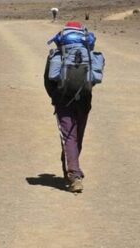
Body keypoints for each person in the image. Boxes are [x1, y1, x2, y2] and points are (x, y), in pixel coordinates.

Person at [44, 21, 103, 193]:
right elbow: (95, 79)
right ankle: (71, 170)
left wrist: (56, 97)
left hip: (63, 100)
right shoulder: (90, 54)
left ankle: (74, 176)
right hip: (84, 99)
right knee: (77, 136)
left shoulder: (57, 55)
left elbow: (50, 79)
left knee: (68, 137)